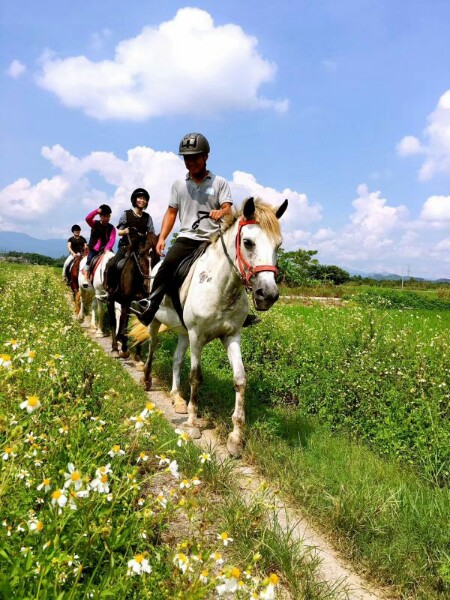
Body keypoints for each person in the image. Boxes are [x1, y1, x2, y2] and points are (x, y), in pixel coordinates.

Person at [131, 132, 260, 327]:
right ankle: (151, 306)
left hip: (214, 240)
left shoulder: (219, 183)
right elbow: (172, 213)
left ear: (206, 157)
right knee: (166, 267)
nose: (191, 162)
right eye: (186, 158)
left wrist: (221, 211)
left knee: (236, 266)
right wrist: (162, 238)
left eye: (195, 158)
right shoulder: (178, 185)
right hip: (187, 238)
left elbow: (228, 208)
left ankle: (242, 312)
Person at [105, 188, 155, 292]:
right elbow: (119, 232)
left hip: (141, 249)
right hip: (126, 247)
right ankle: (109, 288)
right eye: (140, 198)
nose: (142, 200)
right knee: (112, 264)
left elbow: (151, 234)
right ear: (135, 200)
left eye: (144, 199)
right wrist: (126, 231)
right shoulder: (127, 214)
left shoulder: (148, 217)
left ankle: (149, 292)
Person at [84, 204, 116, 275]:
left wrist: (107, 248)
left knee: (114, 261)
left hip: (106, 249)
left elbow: (112, 240)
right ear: (100, 216)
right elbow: (87, 218)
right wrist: (96, 211)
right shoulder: (94, 223)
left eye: (108, 216)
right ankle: (85, 278)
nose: (106, 218)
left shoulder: (112, 228)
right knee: (89, 261)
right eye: (104, 216)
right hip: (94, 249)